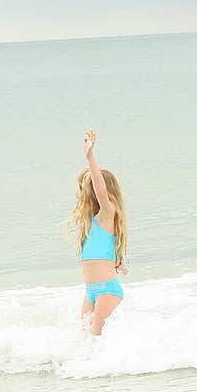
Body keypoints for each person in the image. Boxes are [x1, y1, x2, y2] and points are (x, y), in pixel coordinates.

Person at [69, 130, 128, 334]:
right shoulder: (92, 222)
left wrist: (90, 156)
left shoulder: (107, 213)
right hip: (91, 291)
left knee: (95, 338)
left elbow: (101, 191)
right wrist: (117, 261)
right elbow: (102, 250)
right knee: (84, 338)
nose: (89, 191)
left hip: (107, 290)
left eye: (92, 186)